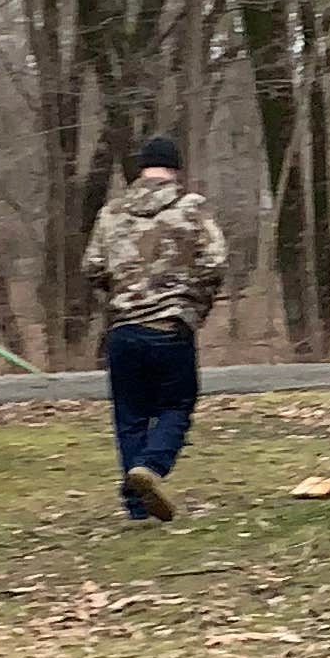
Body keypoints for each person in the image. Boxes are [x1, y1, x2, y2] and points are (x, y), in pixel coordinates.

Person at [87, 139, 230, 518]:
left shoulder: (111, 213)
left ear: (141, 169)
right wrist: (194, 301)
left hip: (123, 331)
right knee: (177, 404)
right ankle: (150, 467)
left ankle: (137, 506)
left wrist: (119, 299)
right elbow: (215, 262)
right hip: (170, 326)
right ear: (175, 168)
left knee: (129, 415)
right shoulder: (191, 208)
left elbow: (93, 267)